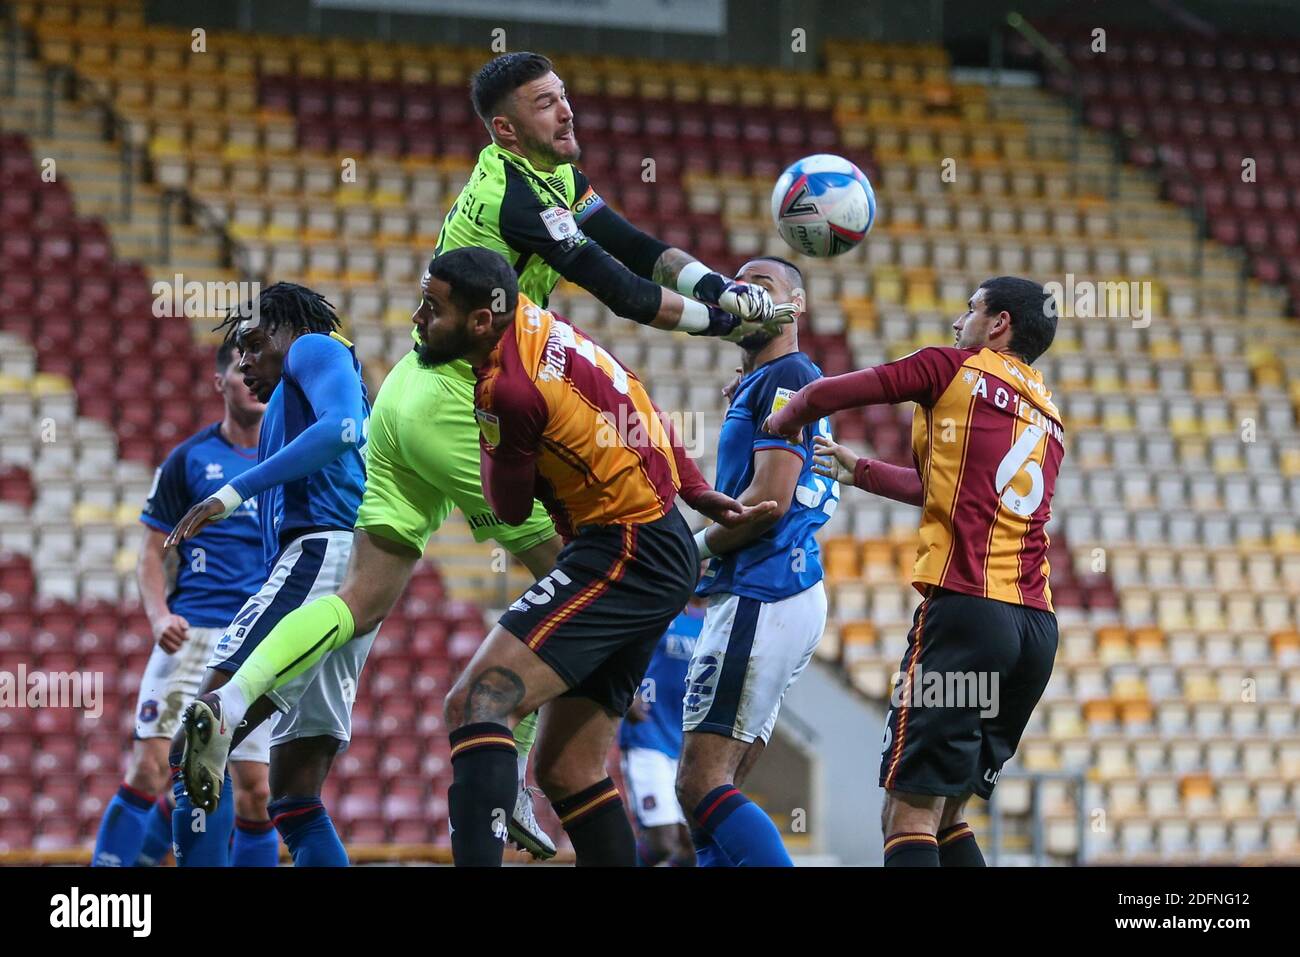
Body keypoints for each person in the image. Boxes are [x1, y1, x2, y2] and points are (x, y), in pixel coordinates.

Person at [171, 49, 799, 859]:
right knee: (574, 567)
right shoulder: (511, 195)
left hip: (409, 390)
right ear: (507, 129)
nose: (566, 112)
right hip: (467, 392)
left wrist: (720, 286)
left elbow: (638, 243)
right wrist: (729, 320)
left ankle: (233, 704)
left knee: (364, 597)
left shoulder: (549, 181)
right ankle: (506, 788)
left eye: (564, 96)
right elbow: (622, 287)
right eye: (546, 104)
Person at [431, 245, 778, 866]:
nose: (416, 320)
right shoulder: (541, 321)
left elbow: (508, 508)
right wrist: (694, 487)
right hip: (659, 538)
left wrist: (494, 440)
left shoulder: (505, 392)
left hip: (625, 548)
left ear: (481, 321)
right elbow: (632, 397)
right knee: (568, 767)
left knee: (477, 701)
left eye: (431, 308)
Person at [765, 276, 1063, 867]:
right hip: (1033, 632)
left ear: (998, 323)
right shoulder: (1049, 415)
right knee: (950, 813)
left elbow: (831, 393)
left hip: (967, 615)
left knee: (906, 814)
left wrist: (778, 419)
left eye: (970, 310)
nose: (958, 322)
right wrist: (863, 471)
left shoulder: (951, 368)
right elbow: (945, 491)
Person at [164, 283, 373, 866]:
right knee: (296, 799)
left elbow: (343, 430)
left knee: (196, 740)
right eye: (235, 354)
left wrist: (230, 494)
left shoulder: (316, 348)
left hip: (319, 557)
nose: (243, 362)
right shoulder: (295, 397)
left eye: (253, 344)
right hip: (351, 572)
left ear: (286, 330)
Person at [675, 256, 837, 867]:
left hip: (762, 587)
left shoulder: (787, 374)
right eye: (739, 284)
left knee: (699, 783)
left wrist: (688, 553)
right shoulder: (774, 377)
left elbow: (767, 501)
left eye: (763, 286)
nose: (745, 292)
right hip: (782, 587)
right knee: (715, 788)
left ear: (795, 307)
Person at [91, 342, 276, 867]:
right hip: (191, 632)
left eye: (259, 371)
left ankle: (152, 857)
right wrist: (158, 616)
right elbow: (150, 552)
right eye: (241, 372)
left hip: (257, 641)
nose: (251, 380)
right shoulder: (189, 459)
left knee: (257, 792)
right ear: (219, 383)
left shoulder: (287, 461)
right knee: (150, 769)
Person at [618, 598, 704, 866]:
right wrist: (625, 690)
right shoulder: (659, 603)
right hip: (648, 736)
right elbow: (618, 645)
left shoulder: (716, 620)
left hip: (690, 746)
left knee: (692, 847)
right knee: (662, 843)